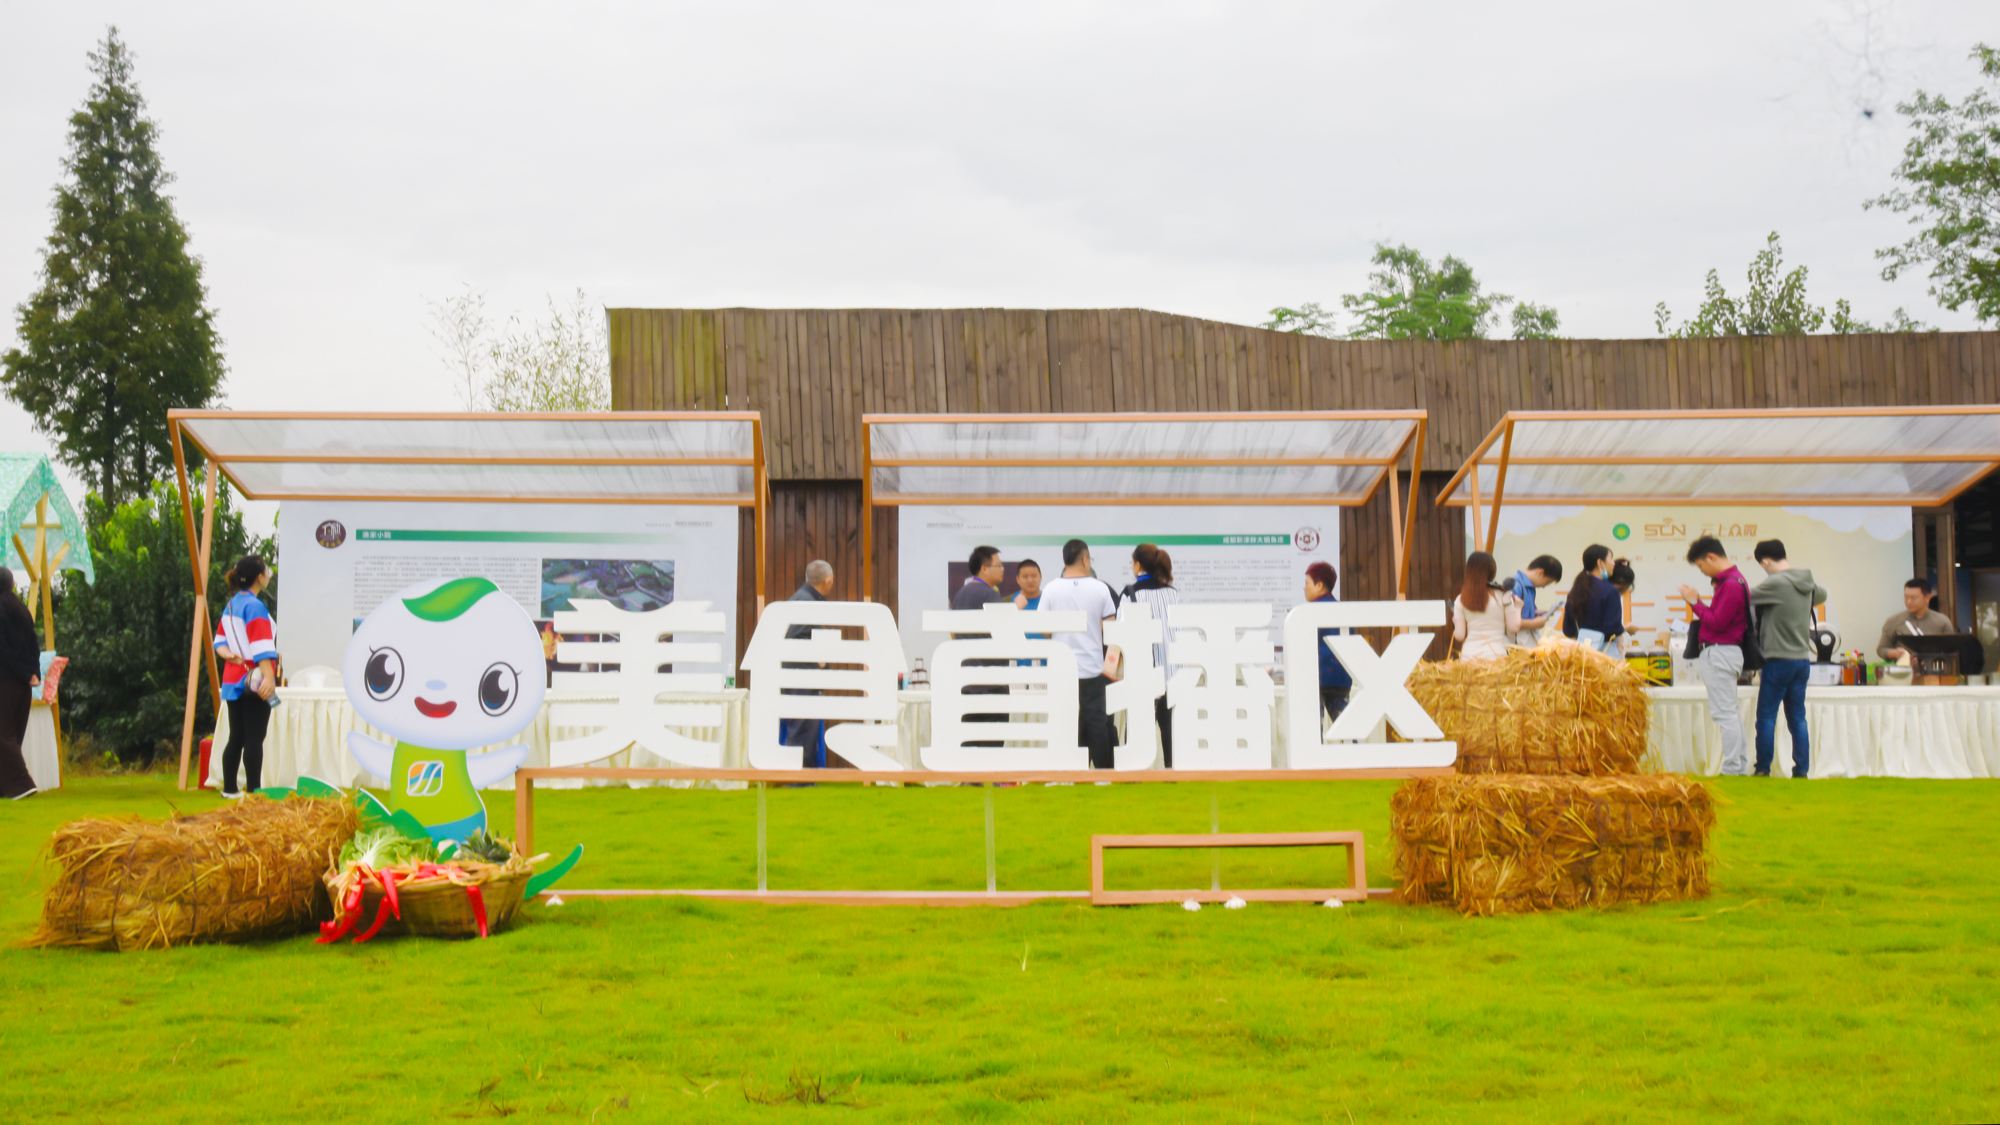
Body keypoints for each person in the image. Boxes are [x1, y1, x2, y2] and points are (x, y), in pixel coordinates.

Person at [1037, 538, 1118, 768]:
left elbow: (1044, 630)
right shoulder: (1100, 588)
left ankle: (1069, 769)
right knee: (1097, 723)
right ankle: (1103, 773)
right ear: (1085, 558)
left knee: (1066, 722)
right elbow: (1109, 629)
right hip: (1093, 668)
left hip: (1062, 670)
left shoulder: (1051, 589)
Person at [1749, 539, 1826, 779]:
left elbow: (1745, 597)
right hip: (1802, 660)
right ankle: (1801, 769)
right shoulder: (1807, 581)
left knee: (1766, 717)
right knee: (1797, 718)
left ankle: (1763, 768)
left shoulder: (1775, 583)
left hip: (1777, 659)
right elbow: (1822, 595)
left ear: (1766, 561)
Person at [1678, 536, 1751, 777]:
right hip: (1724, 651)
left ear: (1711, 557)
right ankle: (1738, 765)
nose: (1702, 571)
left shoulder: (1731, 583)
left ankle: (1733, 769)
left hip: (1720, 651)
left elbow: (1716, 622)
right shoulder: (1732, 581)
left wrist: (1694, 602)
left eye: (1701, 565)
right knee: (1730, 712)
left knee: (1725, 713)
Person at [214, 555, 279, 797]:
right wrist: (269, 678)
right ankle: (254, 790)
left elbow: (219, 641)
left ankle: (230, 788)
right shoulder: (255, 606)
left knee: (236, 736)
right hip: (255, 678)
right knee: (254, 737)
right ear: (259, 577)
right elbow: (262, 646)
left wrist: (228, 654)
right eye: (266, 571)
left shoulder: (231, 605)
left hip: (233, 679)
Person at [1120, 543, 1182, 767]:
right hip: (1173, 676)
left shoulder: (1130, 595)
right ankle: (1173, 775)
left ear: (1137, 565)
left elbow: (1121, 637)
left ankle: (1132, 776)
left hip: (1144, 676)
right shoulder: (1174, 594)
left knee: (1137, 732)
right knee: (1172, 735)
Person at [779, 560, 835, 767]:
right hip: (800, 679)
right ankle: (799, 778)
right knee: (802, 729)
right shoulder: (806, 602)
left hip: (798, 678)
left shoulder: (802, 599)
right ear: (828, 581)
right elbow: (795, 640)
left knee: (804, 729)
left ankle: (802, 777)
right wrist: (819, 661)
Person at [952, 546, 1009, 745]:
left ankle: (969, 777)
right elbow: (1006, 633)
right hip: (991, 679)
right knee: (993, 740)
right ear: (985, 569)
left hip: (968, 678)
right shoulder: (990, 595)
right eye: (999, 565)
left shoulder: (960, 594)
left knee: (970, 739)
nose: (1003, 569)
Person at [0, 570, 40, 800]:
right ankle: (5, 787)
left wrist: (23, 671)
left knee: (3, 734)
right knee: (12, 734)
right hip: (23, 682)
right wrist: (32, 672)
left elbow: (3, 650)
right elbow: (33, 644)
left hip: (6, 679)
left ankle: (22, 784)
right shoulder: (20, 609)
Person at [1302, 561, 1352, 728]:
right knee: (1346, 729)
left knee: (1314, 731)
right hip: (1342, 680)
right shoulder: (1343, 612)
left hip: (1317, 678)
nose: (1304, 588)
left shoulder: (1309, 613)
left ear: (1319, 585)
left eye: (1307, 583)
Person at [1452, 551, 1521, 661]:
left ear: (1468, 571)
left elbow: (1459, 636)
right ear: (1492, 571)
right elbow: (1513, 628)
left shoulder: (1460, 599)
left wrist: (1455, 622)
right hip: (1497, 655)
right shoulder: (1504, 595)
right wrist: (1518, 608)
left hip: (1469, 657)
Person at [1561, 545, 1624, 655]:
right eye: (1611, 558)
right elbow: (1613, 629)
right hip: (1605, 654)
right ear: (1600, 563)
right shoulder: (1610, 591)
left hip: (1581, 654)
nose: (1614, 563)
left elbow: (1568, 630)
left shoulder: (1575, 590)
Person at [1877, 576, 1954, 662]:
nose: (1908, 601)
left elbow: (1951, 651)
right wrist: (1895, 653)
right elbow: (1881, 649)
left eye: (1913, 598)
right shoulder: (1893, 621)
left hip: (1934, 671)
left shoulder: (1942, 621)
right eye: (1906, 597)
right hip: (1903, 672)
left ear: (1927, 598)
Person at [1508, 555, 1563, 644]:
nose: (1545, 586)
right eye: (1547, 582)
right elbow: (1508, 621)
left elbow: (1523, 612)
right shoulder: (1515, 586)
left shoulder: (1530, 587)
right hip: (1515, 639)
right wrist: (1534, 623)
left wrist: (1535, 613)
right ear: (1540, 572)